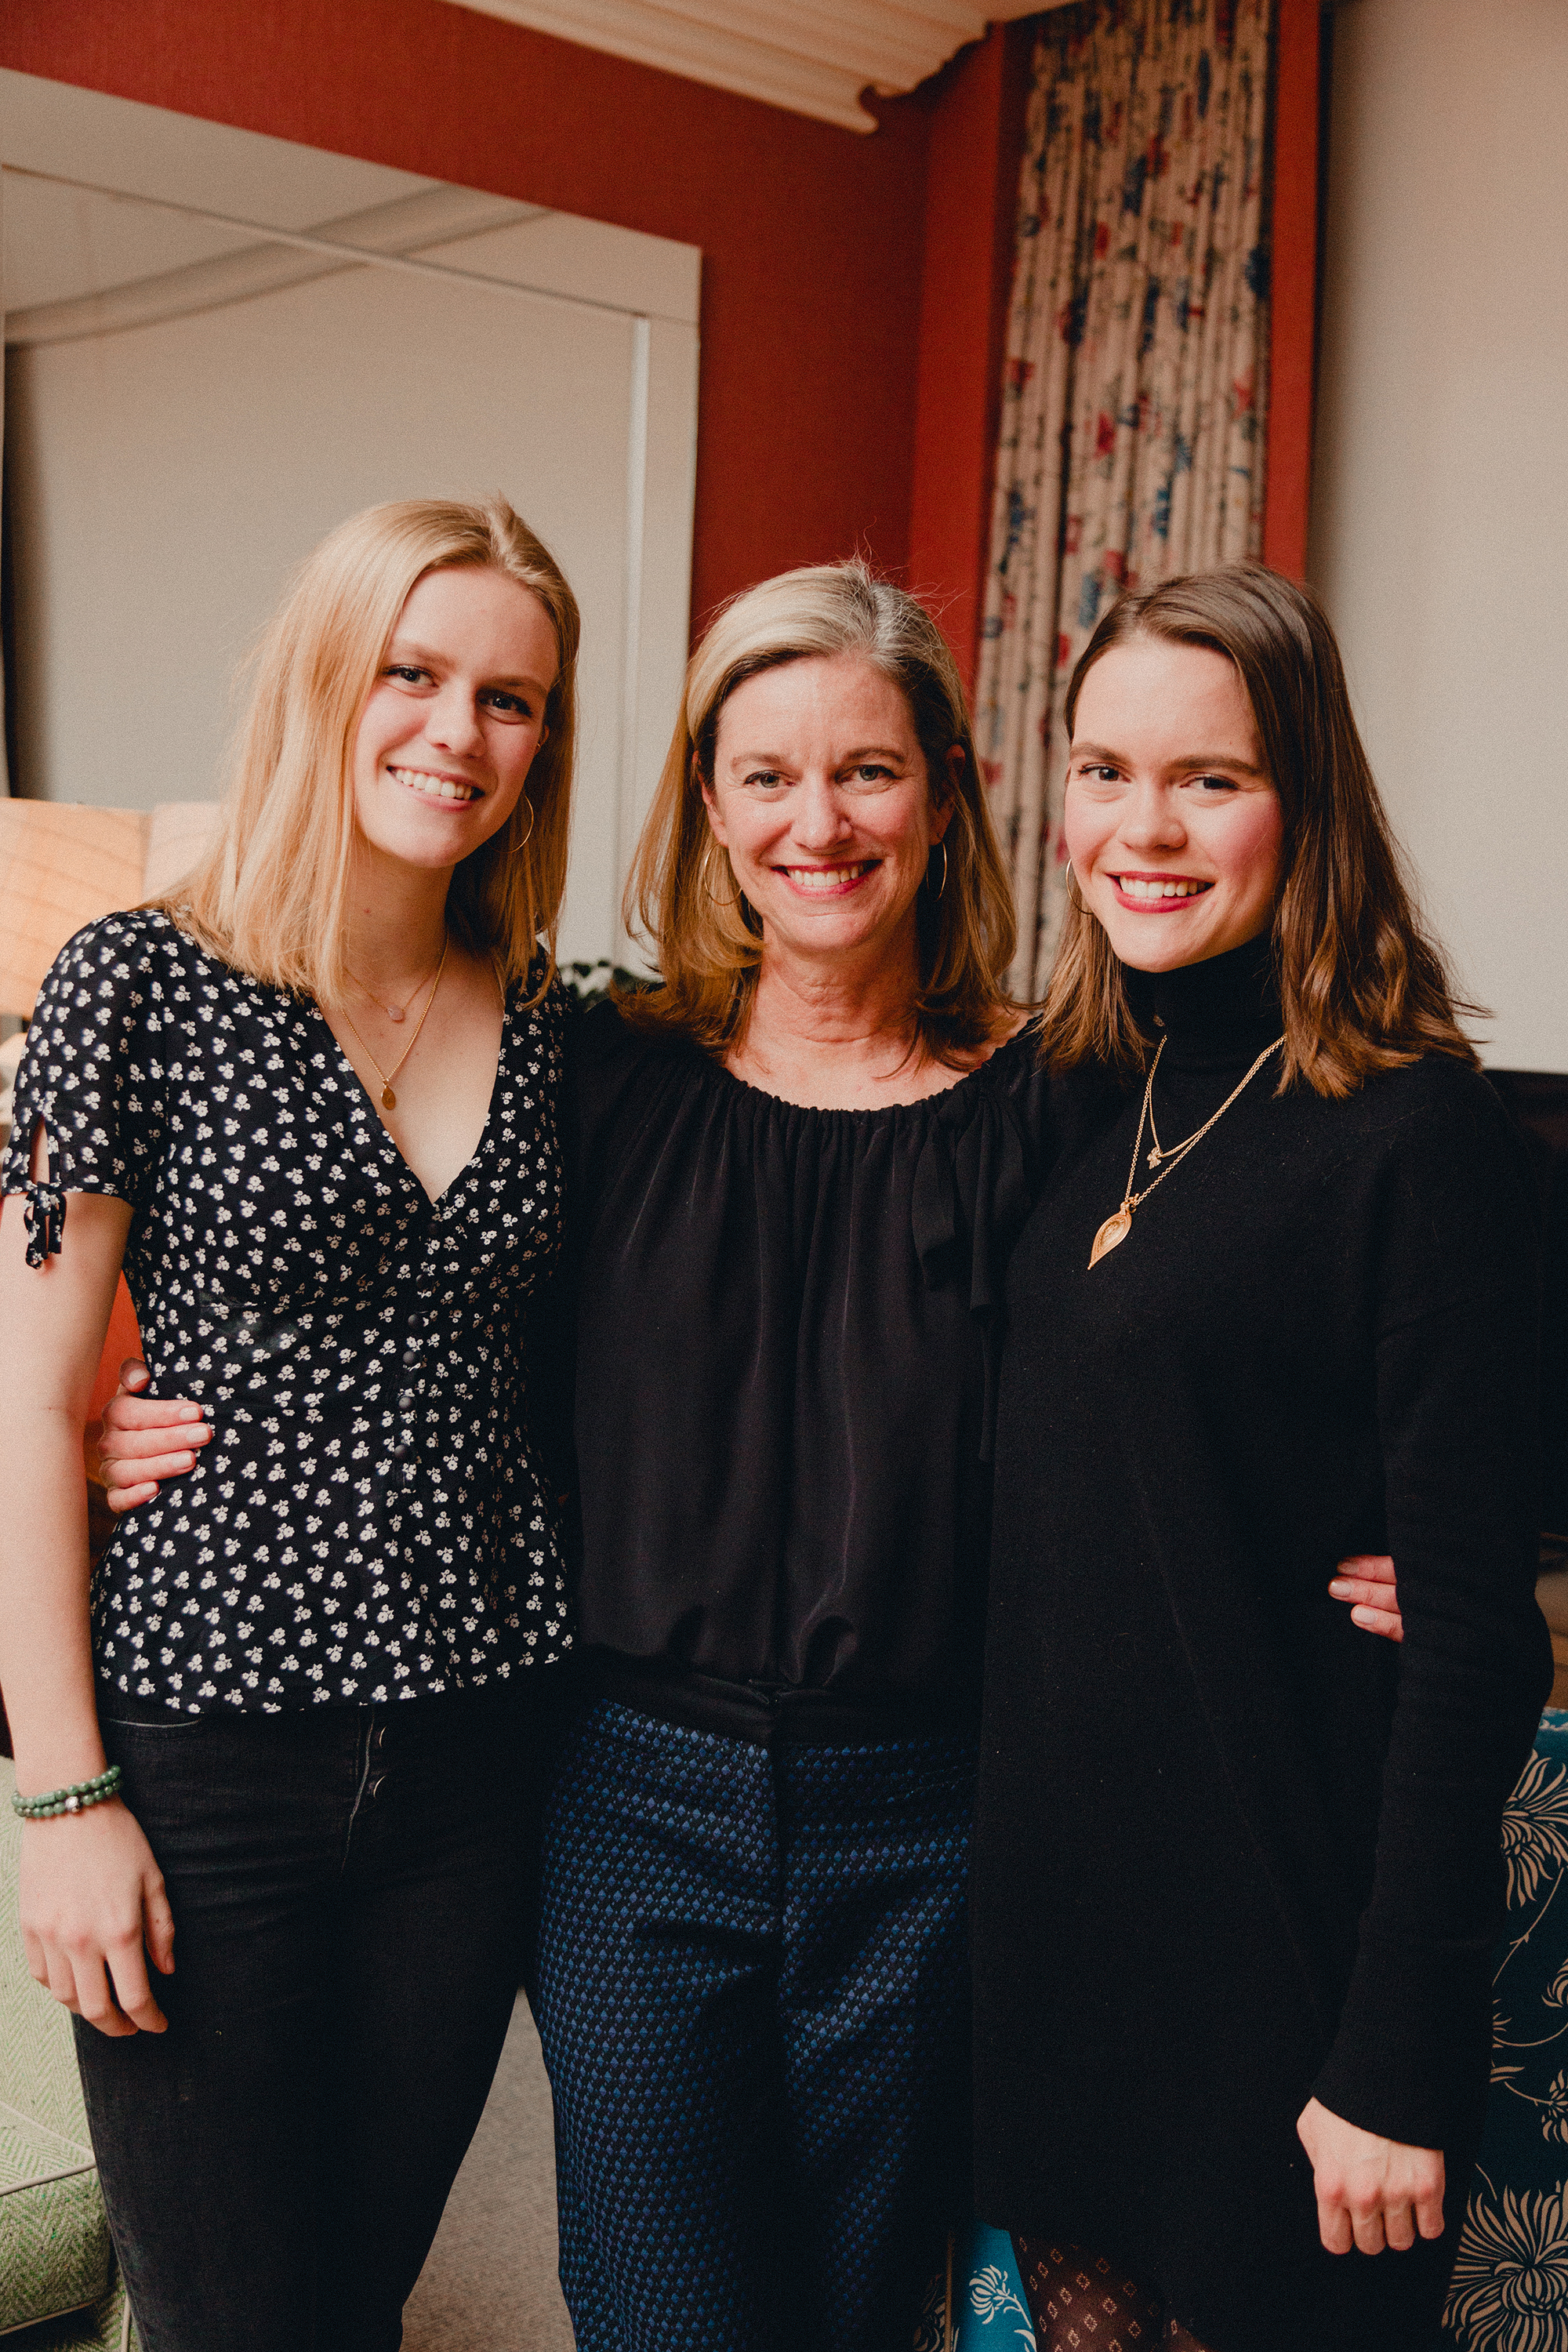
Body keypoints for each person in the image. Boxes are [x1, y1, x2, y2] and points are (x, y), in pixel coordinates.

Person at [91, 559, 1406, 2350]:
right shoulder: (590, 1073)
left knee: (865, 2315)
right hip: (626, 1808)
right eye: (764, 775)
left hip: (942, 1818)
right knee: (657, 2315)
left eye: (865, 770)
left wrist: (1405, 1520)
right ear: (706, 804)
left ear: (944, 794)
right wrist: (119, 1415)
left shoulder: (1067, 1095)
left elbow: (1260, 1314)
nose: (817, 824)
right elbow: (388, 1269)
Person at [0, 495, 581, 2352]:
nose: (456, 732)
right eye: (411, 672)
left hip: (485, 1755)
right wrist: (64, 1790)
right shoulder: (137, 983)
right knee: (228, 2319)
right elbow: (27, 1394)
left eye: (510, 698)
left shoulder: (566, 1022)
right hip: (200, 1753)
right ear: (324, 678)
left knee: (354, 2296)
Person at [971, 565, 1552, 2352]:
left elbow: (1472, 1648)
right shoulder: (1068, 1090)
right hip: (1054, 1948)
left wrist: (1392, 2056)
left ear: (1303, 800)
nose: (1139, 828)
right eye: (1098, 770)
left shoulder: (1414, 1132)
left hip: (1283, 1968)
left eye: (1207, 779)